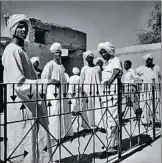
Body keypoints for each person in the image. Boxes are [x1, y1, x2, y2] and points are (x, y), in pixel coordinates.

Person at [2, 14, 60, 163]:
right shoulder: (12, 51)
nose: (23, 29)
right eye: (20, 26)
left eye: (25, 26)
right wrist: (46, 82)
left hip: (29, 105)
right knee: (24, 144)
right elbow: (19, 84)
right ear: (13, 29)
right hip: (21, 106)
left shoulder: (20, 51)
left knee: (34, 143)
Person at [41, 42, 73, 143]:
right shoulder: (49, 65)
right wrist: (53, 81)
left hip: (62, 93)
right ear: (53, 54)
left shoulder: (62, 65)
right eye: (56, 53)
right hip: (53, 93)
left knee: (62, 111)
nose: (58, 54)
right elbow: (44, 78)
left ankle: (62, 134)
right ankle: (54, 136)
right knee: (54, 111)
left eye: (59, 52)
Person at [97, 41, 123, 155]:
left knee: (112, 118)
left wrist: (110, 81)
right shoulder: (106, 64)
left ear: (109, 51)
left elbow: (117, 70)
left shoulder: (115, 60)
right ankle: (113, 143)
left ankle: (111, 146)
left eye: (104, 52)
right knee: (108, 117)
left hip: (113, 92)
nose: (103, 54)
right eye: (101, 53)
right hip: (106, 93)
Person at [136, 54, 161, 125]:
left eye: (151, 60)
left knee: (156, 104)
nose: (150, 61)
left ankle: (156, 121)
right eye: (148, 60)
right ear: (146, 61)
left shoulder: (157, 67)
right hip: (146, 89)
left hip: (155, 89)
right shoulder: (141, 68)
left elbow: (159, 76)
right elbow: (135, 74)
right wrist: (140, 80)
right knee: (145, 104)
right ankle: (145, 121)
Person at [80, 51, 101, 129]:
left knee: (96, 105)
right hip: (87, 90)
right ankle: (87, 124)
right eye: (88, 58)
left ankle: (97, 123)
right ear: (86, 59)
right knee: (88, 106)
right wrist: (82, 91)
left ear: (93, 58)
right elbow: (81, 80)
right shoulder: (84, 69)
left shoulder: (97, 68)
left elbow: (100, 78)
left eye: (91, 57)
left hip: (96, 90)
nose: (89, 59)